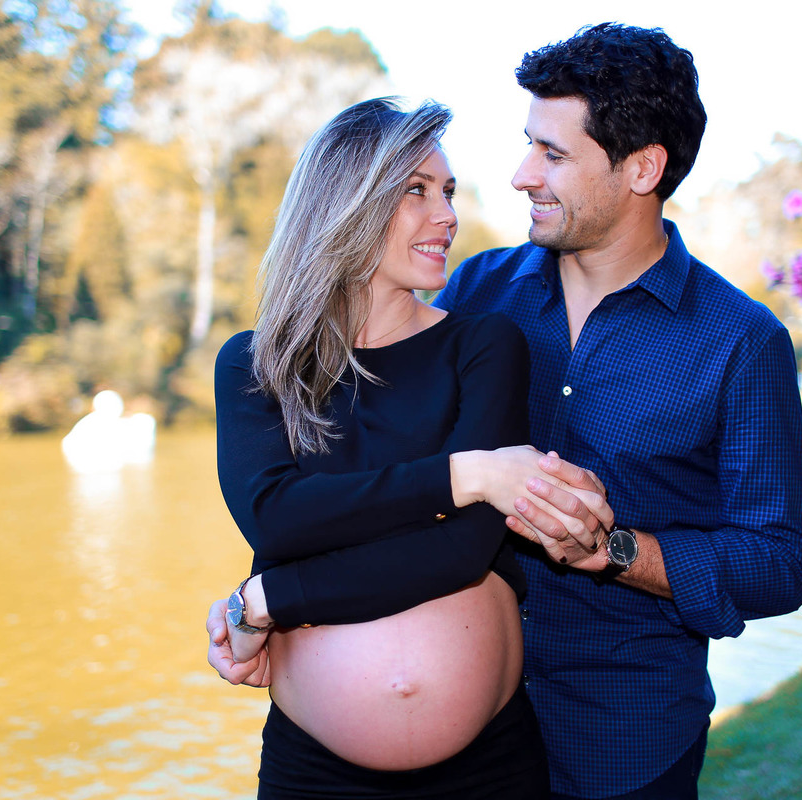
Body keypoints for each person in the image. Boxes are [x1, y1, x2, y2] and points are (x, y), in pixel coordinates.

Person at [211, 22, 802, 800]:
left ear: (642, 168)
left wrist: (617, 550)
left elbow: (780, 563)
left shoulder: (740, 341)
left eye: (553, 154)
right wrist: (261, 603)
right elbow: (366, 463)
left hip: (618, 729)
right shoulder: (476, 296)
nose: (523, 174)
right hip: (475, 732)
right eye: (529, 143)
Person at [212, 96, 609, 799]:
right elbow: (279, 517)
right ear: (346, 205)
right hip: (315, 775)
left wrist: (272, 595)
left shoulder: (483, 346)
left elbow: (458, 552)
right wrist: (467, 475)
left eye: (449, 191)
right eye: (416, 192)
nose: (447, 215)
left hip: (487, 770)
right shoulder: (255, 364)